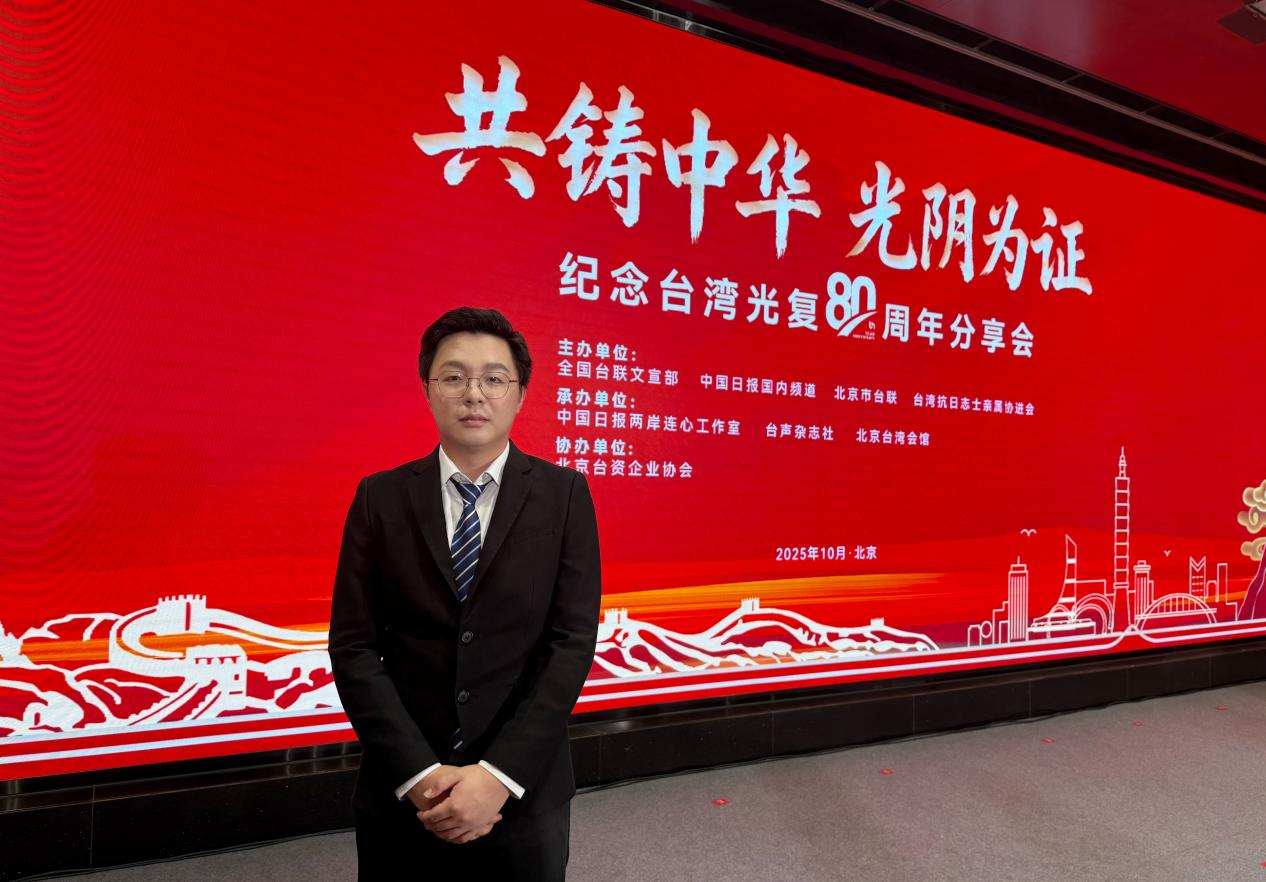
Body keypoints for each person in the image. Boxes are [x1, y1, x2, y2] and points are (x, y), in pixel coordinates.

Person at [329, 306, 602, 880]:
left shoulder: (565, 495)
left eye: (494, 378)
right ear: (427, 390)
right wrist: (420, 775)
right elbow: (354, 647)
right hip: (404, 791)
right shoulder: (379, 497)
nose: (474, 394)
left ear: (520, 394)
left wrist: (498, 776)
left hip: (523, 791)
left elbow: (571, 643)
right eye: (453, 377)